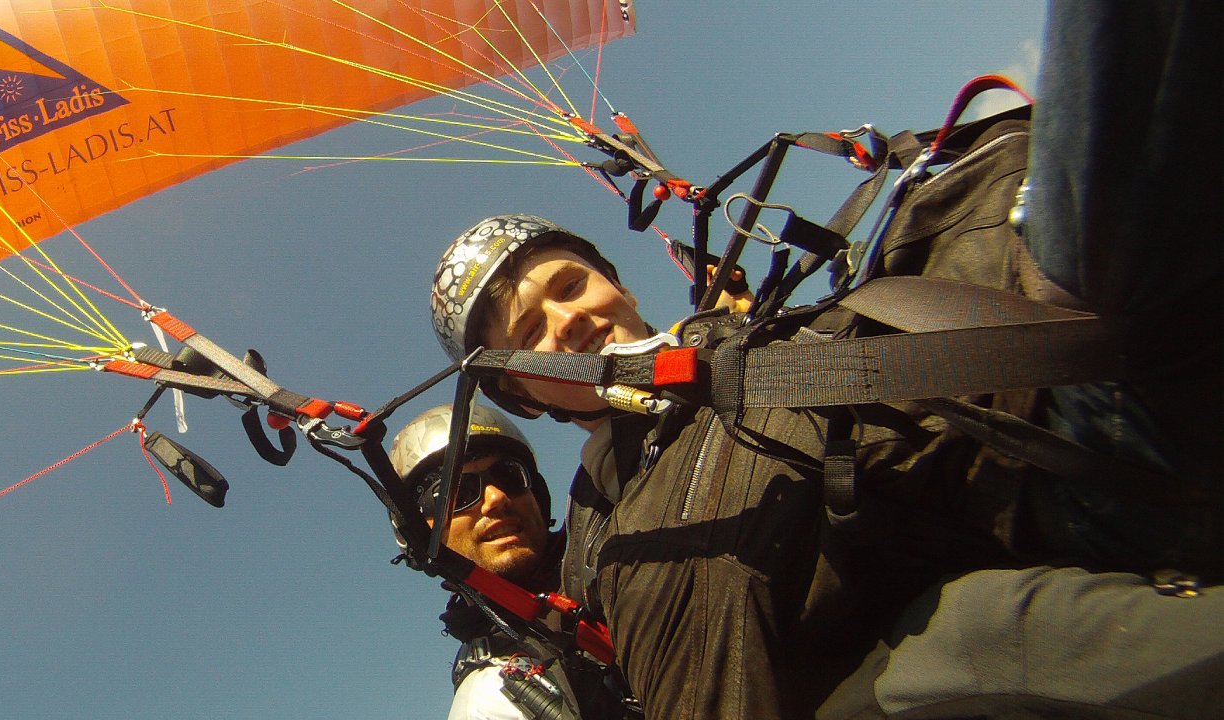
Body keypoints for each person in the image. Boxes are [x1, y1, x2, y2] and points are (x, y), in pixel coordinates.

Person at [428, 206, 1224, 717]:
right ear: (524, 393)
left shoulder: (775, 326)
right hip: (1049, 547)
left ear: (615, 281)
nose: (567, 320)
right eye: (531, 331)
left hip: (1076, 404)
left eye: (571, 285)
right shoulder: (608, 538)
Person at [390, 402, 615, 720]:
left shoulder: (624, 541)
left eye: (510, 476)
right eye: (457, 491)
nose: (496, 498)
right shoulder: (488, 703)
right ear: (420, 534)